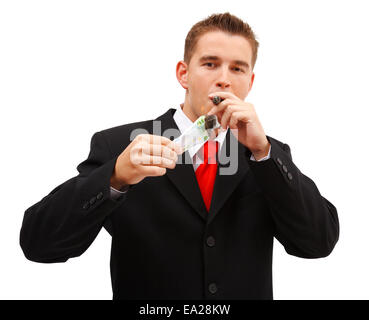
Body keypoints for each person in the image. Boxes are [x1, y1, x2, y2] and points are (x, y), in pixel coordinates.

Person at [20, 12, 339, 300]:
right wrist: (115, 176)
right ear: (183, 74)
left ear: (250, 81)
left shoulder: (268, 155)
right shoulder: (120, 144)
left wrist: (264, 152)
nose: (225, 78)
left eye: (238, 68)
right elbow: (39, 244)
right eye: (210, 63)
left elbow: (317, 244)